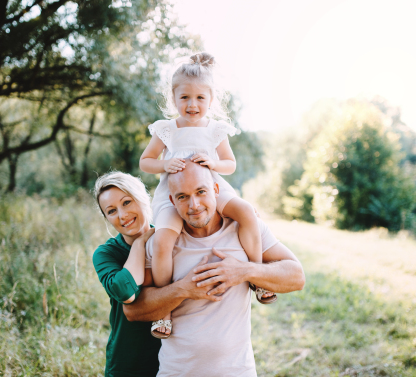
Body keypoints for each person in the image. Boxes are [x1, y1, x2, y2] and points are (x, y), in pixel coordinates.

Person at [124, 160, 306, 377]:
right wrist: (183, 289)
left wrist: (245, 271)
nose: (194, 205)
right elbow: (133, 311)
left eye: (201, 192)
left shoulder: (245, 228)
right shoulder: (162, 243)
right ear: (172, 200)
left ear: (216, 190)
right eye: (183, 197)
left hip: (239, 371)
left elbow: (297, 276)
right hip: (177, 372)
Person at [139, 52, 272, 339]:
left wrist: (214, 164)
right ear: (173, 98)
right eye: (184, 97)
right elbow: (145, 161)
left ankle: (258, 275)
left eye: (200, 98)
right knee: (163, 240)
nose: (192, 104)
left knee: (246, 212)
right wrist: (164, 164)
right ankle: (164, 309)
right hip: (174, 195)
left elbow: (230, 164)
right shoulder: (166, 129)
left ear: (211, 100)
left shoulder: (215, 130)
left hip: (212, 187)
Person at [92, 172, 160, 377]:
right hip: (129, 363)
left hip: (174, 359)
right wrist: (140, 243)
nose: (122, 215)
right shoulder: (106, 253)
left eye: (127, 202)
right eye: (111, 211)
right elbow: (125, 292)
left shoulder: (170, 239)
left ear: (143, 198)